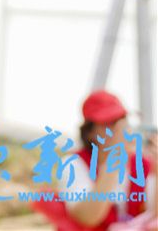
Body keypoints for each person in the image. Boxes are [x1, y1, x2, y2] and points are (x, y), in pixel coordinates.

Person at [62, 91, 154, 229]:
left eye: (120, 121)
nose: (118, 130)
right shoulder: (73, 164)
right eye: (109, 123)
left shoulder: (143, 164)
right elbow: (87, 217)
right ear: (90, 132)